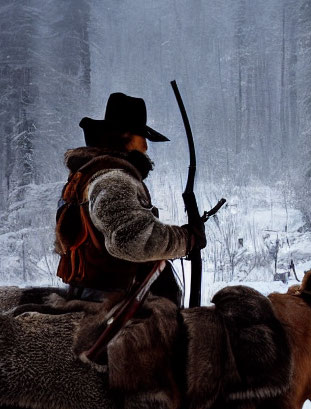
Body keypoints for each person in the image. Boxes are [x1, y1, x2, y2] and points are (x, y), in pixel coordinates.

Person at [55, 92, 205, 305]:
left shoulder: (92, 175)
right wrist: (186, 239)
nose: (145, 146)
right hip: (115, 302)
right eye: (141, 137)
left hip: (100, 295)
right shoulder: (114, 180)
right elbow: (132, 240)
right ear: (125, 137)